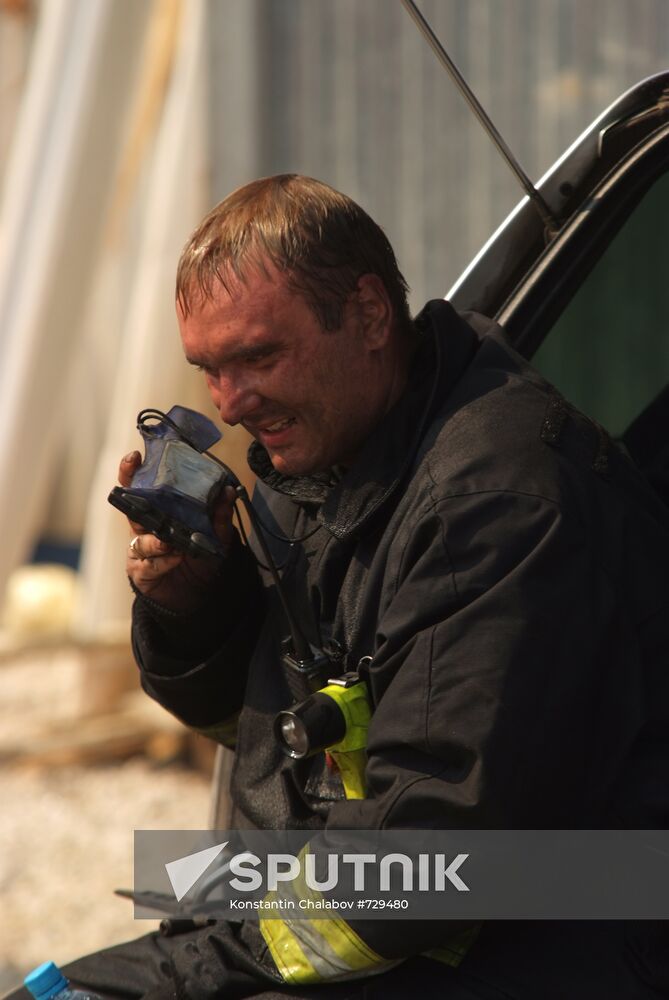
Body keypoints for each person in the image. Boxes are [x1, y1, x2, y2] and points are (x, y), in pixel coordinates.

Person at [10, 174, 669, 1000]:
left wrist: (171, 973)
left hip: (556, 925)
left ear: (367, 314)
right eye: (209, 370)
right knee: (164, 886)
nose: (230, 405)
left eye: (258, 357)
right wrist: (196, 606)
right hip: (410, 891)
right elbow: (279, 740)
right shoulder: (325, 457)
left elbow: (426, 862)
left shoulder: (492, 506)